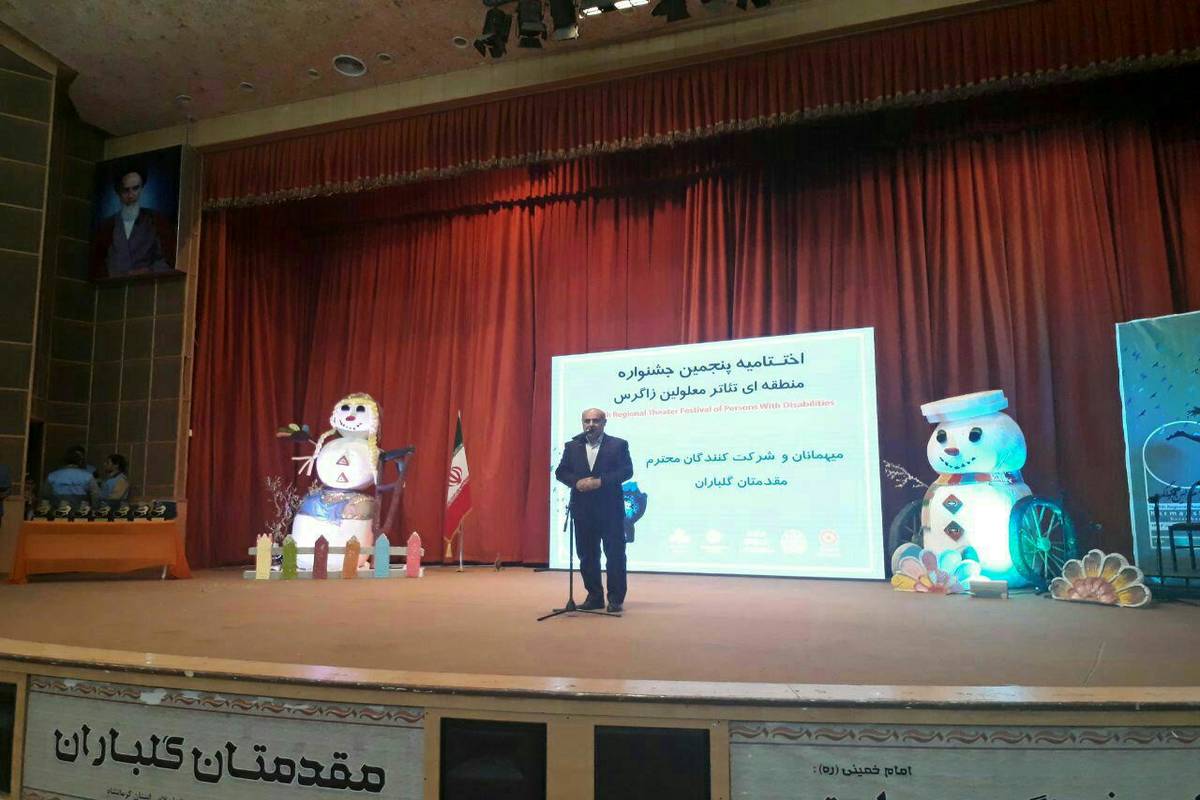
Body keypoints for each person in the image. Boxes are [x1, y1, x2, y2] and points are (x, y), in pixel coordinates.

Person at [554, 408, 633, 613]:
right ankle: (595, 597)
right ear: (582, 423)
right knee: (587, 556)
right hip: (583, 510)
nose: (591, 424)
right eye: (587, 421)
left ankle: (615, 599)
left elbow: (626, 471)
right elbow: (561, 472)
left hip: (610, 510)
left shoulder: (618, 445)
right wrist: (576, 482)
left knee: (615, 555)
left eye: (595, 421)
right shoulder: (572, 446)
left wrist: (600, 482)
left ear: (604, 423)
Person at [91, 168, 175, 277]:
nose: (131, 196)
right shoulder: (106, 227)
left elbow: (167, 261)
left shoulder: (156, 221)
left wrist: (147, 271)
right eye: (126, 190)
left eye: (135, 189)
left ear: (142, 188)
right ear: (118, 191)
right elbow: (97, 265)